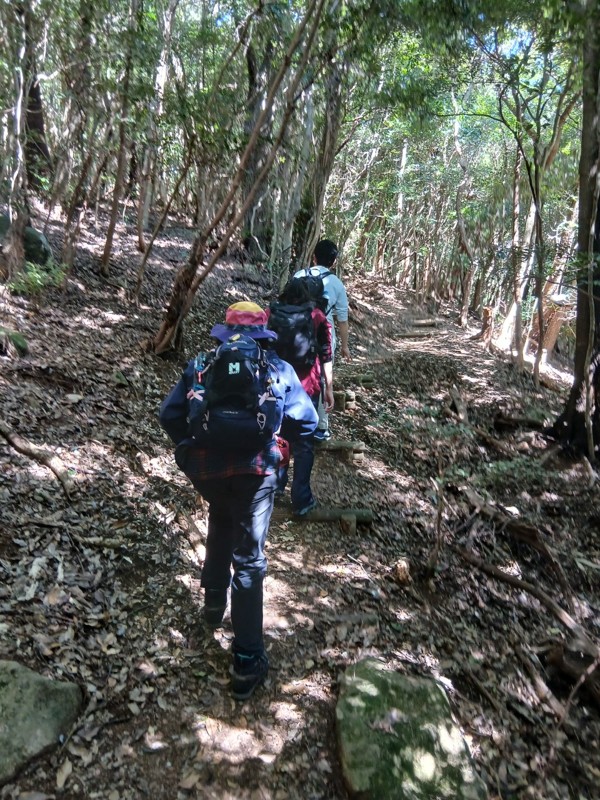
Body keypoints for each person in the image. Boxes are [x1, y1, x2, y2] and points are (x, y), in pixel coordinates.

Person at [159, 302, 318, 700]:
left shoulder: (202, 364)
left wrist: (189, 446)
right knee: (249, 558)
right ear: (263, 332)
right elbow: (310, 422)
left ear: (225, 330)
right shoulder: (276, 368)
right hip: (257, 473)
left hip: (209, 471)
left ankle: (213, 605)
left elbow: (169, 414)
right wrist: (280, 437)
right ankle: (247, 660)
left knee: (219, 522)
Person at [267, 277, 334, 514]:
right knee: (305, 444)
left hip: (276, 385)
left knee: (280, 435)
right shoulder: (317, 316)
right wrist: (329, 389)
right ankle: (301, 500)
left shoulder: (270, 313)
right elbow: (326, 354)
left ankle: (276, 486)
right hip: (307, 387)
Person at [294, 238, 350, 440]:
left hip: (297, 332)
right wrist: (344, 346)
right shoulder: (337, 284)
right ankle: (321, 426)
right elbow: (342, 320)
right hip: (325, 335)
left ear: (313, 256)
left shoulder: (299, 275)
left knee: (298, 372)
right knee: (323, 376)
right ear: (333, 262)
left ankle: (294, 418)